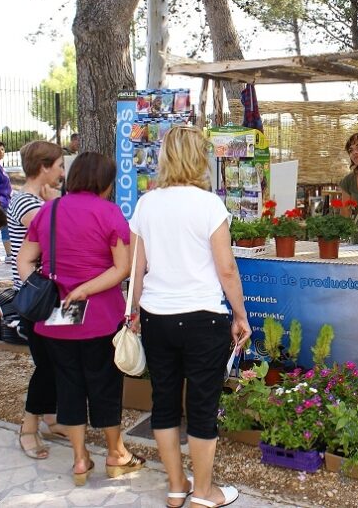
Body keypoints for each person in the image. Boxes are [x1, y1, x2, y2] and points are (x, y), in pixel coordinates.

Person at [128, 125, 250, 508]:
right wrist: (240, 315)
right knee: (201, 406)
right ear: (199, 158)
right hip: (202, 317)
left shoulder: (147, 204)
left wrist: (134, 311)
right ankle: (204, 492)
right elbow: (226, 268)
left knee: (164, 402)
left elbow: (136, 267)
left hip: (157, 315)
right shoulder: (209, 204)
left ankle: (176, 486)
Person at [17, 152, 142, 486]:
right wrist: (85, 288)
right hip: (100, 315)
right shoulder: (109, 212)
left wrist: (45, 288)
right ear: (105, 182)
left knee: (68, 385)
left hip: (57, 314)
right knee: (106, 384)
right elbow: (122, 268)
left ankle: (79, 458)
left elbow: (24, 259)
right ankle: (116, 453)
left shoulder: (50, 210)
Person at [7, 140, 67, 458]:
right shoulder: (26, 203)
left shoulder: (36, 201)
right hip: (38, 299)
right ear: (43, 167)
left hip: (49, 295)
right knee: (48, 364)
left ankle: (50, 417)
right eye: (59, 166)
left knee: (56, 361)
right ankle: (28, 428)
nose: (62, 173)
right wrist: (56, 204)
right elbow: (58, 232)